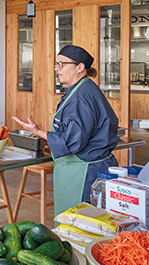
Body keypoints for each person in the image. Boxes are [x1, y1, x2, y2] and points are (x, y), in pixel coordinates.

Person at [12, 45, 119, 215]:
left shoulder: (80, 97)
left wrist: (38, 131)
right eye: (56, 64)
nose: (56, 68)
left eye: (61, 64)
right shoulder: (84, 88)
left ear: (80, 67)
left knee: (78, 226)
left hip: (83, 173)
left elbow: (72, 141)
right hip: (94, 166)